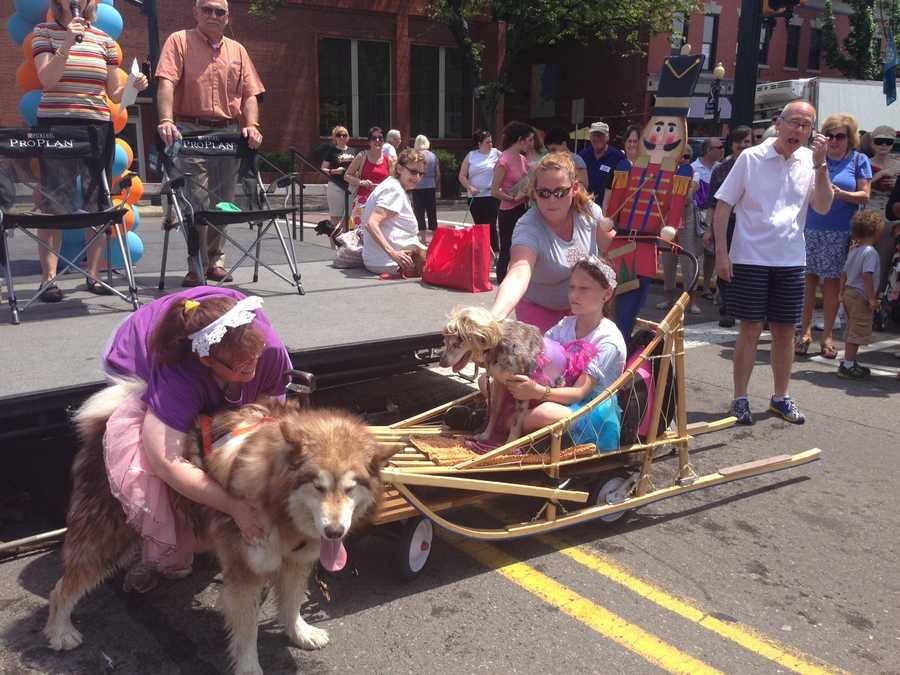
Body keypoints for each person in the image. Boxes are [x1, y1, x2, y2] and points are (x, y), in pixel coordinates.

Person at [101, 288, 290, 592]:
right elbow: (166, 460)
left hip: (215, 361)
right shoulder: (179, 372)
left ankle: (224, 537)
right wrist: (232, 504)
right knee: (152, 466)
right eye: (240, 367)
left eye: (254, 359)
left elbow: (269, 421)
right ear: (207, 361)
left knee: (242, 440)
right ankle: (162, 545)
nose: (251, 369)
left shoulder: (268, 350)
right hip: (135, 355)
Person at [712, 101, 833, 426]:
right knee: (750, 328)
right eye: (794, 122)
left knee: (784, 331)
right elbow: (723, 206)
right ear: (778, 123)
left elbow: (822, 207)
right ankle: (740, 398)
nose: (799, 130)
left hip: (791, 259)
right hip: (750, 257)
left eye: (806, 126)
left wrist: (822, 166)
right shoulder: (750, 158)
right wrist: (722, 254)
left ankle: (781, 397)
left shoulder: (811, 161)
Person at [31, 0, 149, 302]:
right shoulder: (43, 32)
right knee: (53, 203)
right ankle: (49, 279)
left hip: (97, 127)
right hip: (57, 126)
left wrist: (135, 86)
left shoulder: (104, 40)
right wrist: (67, 43)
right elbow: (47, 79)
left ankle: (93, 275)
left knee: (98, 200)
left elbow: (114, 93)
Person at [156, 0, 265, 287]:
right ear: (196, 12)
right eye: (207, 9)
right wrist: (166, 120)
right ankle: (196, 264)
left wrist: (251, 126)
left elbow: (250, 94)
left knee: (223, 201)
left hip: (228, 133)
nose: (213, 15)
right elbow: (166, 82)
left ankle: (216, 260)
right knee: (197, 201)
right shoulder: (179, 41)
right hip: (190, 130)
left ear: (228, 17)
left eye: (220, 11)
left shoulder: (237, 50)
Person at [506, 257, 626, 451]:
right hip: (557, 389)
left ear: (607, 294)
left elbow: (579, 393)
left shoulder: (608, 339)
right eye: (571, 287)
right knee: (491, 383)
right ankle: (510, 425)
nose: (574, 295)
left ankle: (508, 426)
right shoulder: (566, 325)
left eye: (583, 289)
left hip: (590, 409)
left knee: (543, 413)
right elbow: (538, 354)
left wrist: (537, 392)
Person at [490, 152, 616, 334]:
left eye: (559, 192)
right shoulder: (528, 226)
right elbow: (518, 274)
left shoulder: (589, 212)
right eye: (544, 193)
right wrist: (492, 320)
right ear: (534, 193)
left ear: (574, 188)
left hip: (582, 311)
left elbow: (613, 248)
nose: (552, 200)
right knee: (551, 360)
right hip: (538, 311)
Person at [795, 113, 871, 360]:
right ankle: (804, 332)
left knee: (831, 286)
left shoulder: (859, 160)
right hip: (810, 227)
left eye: (841, 136)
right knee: (807, 283)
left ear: (850, 138)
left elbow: (865, 195)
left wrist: (840, 194)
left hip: (840, 231)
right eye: (831, 135)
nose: (836, 140)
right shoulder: (815, 159)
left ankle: (827, 336)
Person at [704, 125, 754, 328]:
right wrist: (709, 229)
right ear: (731, 145)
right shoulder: (721, 169)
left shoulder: (759, 167)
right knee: (725, 265)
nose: (742, 145)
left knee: (749, 268)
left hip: (751, 225)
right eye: (738, 141)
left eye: (747, 142)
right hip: (726, 223)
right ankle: (727, 309)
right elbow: (713, 204)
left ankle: (751, 309)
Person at [361, 148, 428, 278]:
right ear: (399, 169)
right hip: (390, 261)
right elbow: (371, 223)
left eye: (421, 173)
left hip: (383, 259)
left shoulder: (393, 185)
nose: (417, 177)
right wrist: (393, 253)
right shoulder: (394, 190)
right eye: (413, 172)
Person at [657, 148, 704, 314]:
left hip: (686, 221)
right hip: (666, 219)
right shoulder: (663, 172)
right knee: (668, 260)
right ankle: (669, 298)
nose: (683, 159)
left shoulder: (693, 172)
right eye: (680, 155)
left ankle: (692, 301)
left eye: (686, 156)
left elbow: (688, 196)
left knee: (688, 262)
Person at [838, 211, 885, 379]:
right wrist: (872, 298)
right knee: (858, 330)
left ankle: (849, 360)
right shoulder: (870, 252)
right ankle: (848, 364)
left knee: (851, 328)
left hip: (849, 292)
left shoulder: (854, 250)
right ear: (876, 231)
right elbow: (867, 275)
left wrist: (841, 292)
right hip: (860, 296)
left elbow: (843, 273)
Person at [491, 121, 533, 284]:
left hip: (523, 207)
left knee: (523, 245)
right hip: (508, 210)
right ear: (520, 140)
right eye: (529, 140)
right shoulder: (504, 160)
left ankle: (518, 278)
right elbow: (495, 190)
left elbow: (526, 181)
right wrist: (512, 198)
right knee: (507, 247)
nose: (530, 144)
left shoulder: (523, 159)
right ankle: (502, 281)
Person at [459, 129, 502, 252]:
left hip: (491, 195)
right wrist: (470, 187)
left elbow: (507, 166)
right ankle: (482, 252)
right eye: (487, 142)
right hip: (475, 197)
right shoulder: (471, 155)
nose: (490, 144)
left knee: (491, 225)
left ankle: (495, 252)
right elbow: (462, 175)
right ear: (479, 143)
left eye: (491, 142)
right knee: (480, 226)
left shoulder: (496, 153)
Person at [868, 125, 899, 292]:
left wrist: (896, 185)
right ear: (872, 143)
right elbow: (859, 187)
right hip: (867, 216)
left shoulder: (898, 165)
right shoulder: (864, 162)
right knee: (863, 259)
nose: (883, 146)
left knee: (884, 260)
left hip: (889, 219)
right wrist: (879, 175)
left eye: (888, 142)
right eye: (880, 141)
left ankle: (878, 299)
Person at [344, 127, 392, 228]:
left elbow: (393, 181)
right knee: (359, 234)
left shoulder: (388, 160)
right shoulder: (362, 156)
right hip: (363, 200)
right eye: (374, 138)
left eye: (380, 138)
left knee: (380, 233)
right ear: (369, 141)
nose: (377, 141)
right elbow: (347, 176)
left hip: (382, 201)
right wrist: (361, 182)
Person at [578, 121, 624, 207]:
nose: (597, 138)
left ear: (607, 137)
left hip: (607, 208)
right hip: (584, 206)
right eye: (594, 135)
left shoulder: (618, 157)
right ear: (590, 137)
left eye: (600, 135)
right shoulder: (582, 156)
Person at [320, 125, 354, 228]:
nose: (342, 137)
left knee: (349, 218)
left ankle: (345, 243)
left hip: (351, 187)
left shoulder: (353, 151)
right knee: (336, 219)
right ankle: (334, 243)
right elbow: (323, 169)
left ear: (348, 137)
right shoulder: (331, 151)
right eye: (339, 135)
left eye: (344, 135)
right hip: (336, 186)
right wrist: (333, 171)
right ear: (335, 138)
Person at [410, 134, 440, 237]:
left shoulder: (415, 155)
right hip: (430, 185)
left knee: (419, 212)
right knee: (431, 212)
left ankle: (422, 237)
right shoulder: (433, 155)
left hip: (417, 186)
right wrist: (433, 183)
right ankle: (434, 236)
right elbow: (438, 174)